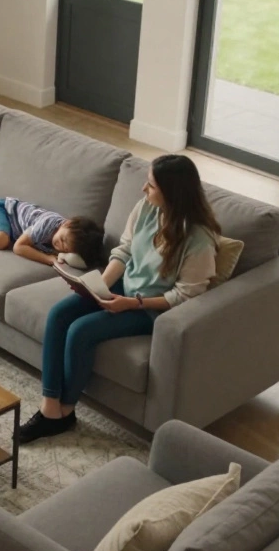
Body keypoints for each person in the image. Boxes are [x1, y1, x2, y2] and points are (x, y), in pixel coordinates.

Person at [18, 154, 221, 444]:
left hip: (153, 308)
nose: (143, 190)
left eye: (150, 185)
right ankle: (51, 408)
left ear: (172, 192)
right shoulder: (146, 208)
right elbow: (124, 253)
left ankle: (65, 411)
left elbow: (185, 295)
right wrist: (98, 287)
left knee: (81, 330)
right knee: (59, 314)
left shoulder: (198, 239)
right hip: (125, 287)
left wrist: (132, 304)